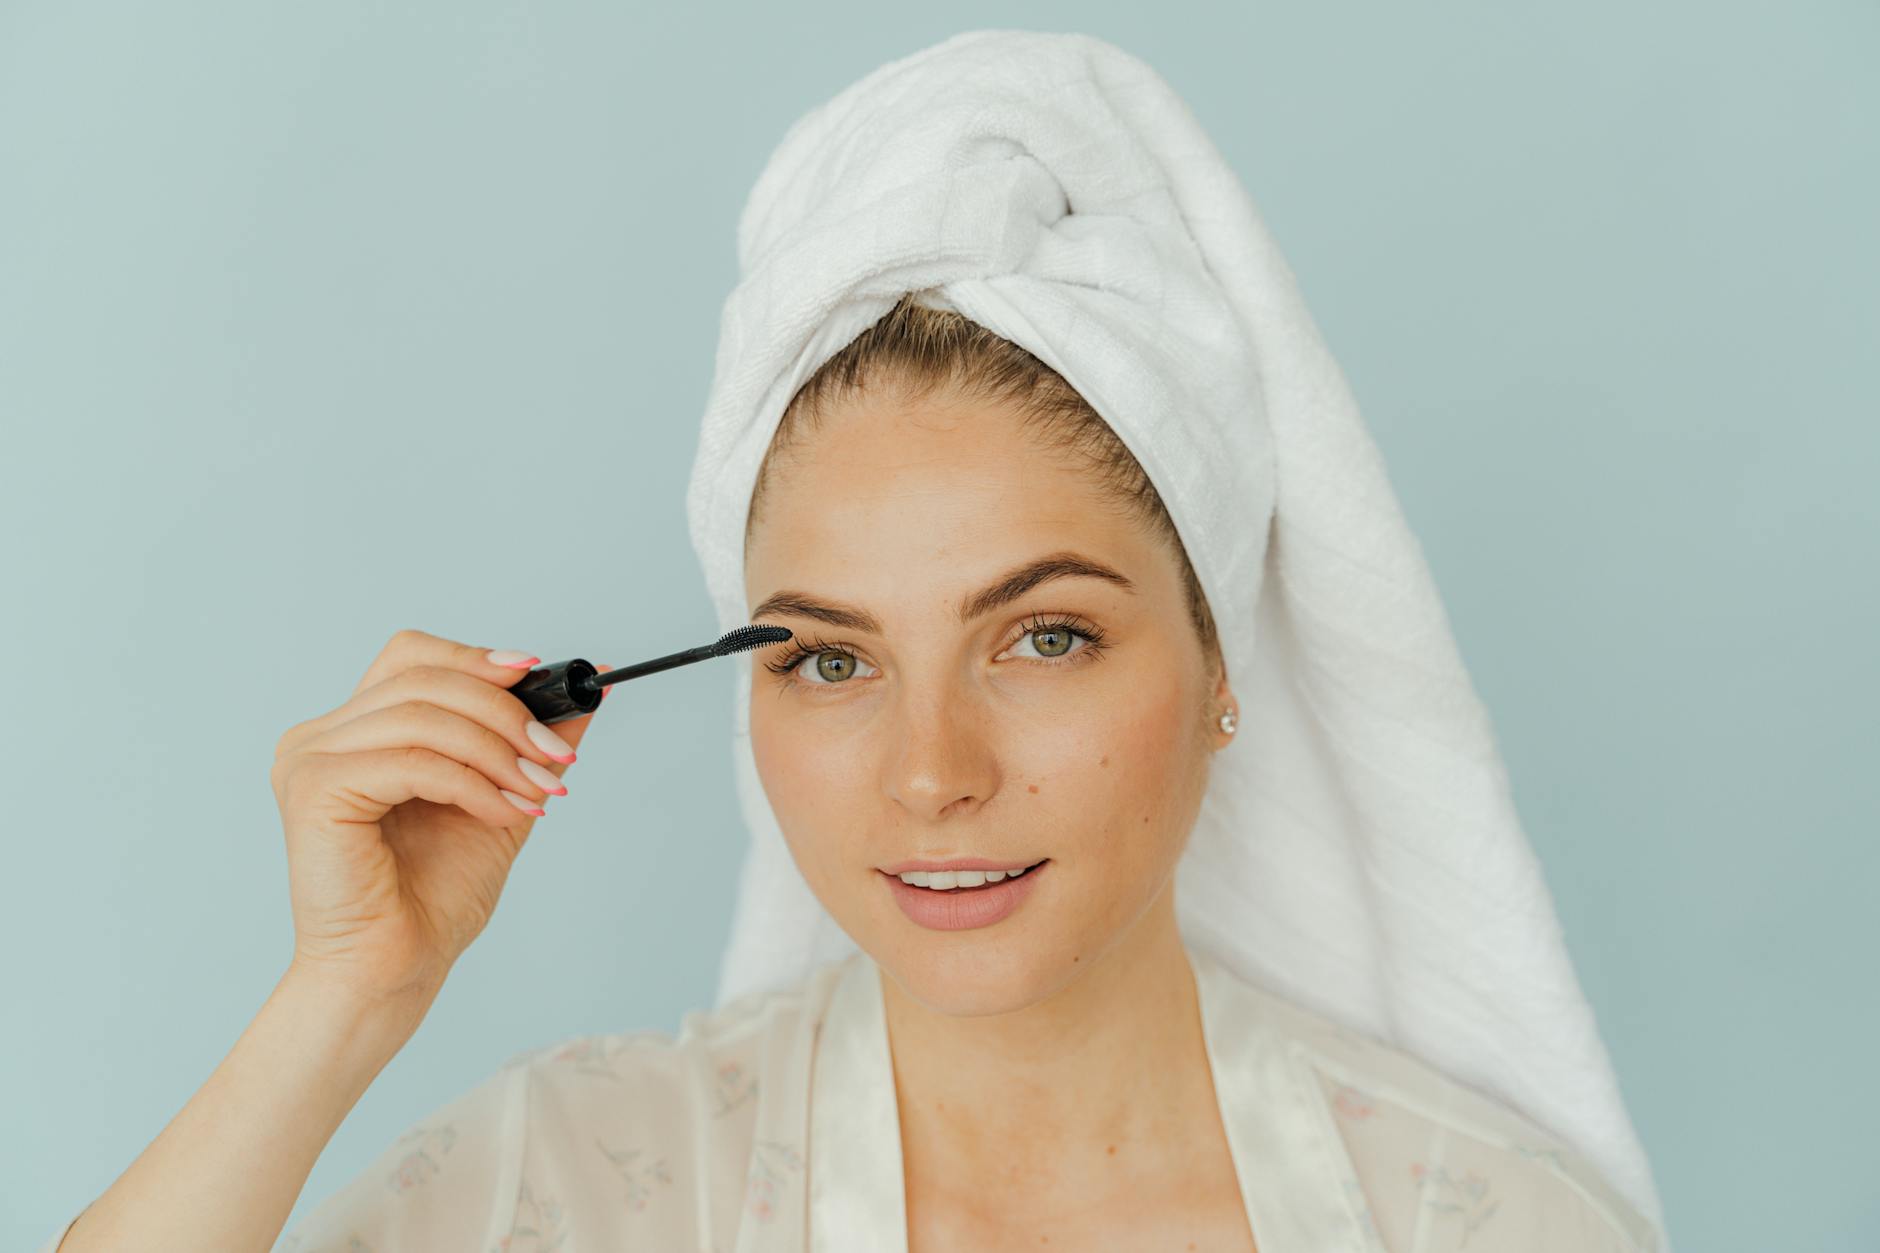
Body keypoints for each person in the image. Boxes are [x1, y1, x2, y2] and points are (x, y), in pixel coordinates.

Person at [39, 30, 1670, 1253]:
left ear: (1219, 662)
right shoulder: (584, 1184)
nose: (931, 773)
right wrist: (343, 998)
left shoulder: (1475, 1217)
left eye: (1044, 636)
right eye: (829, 659)